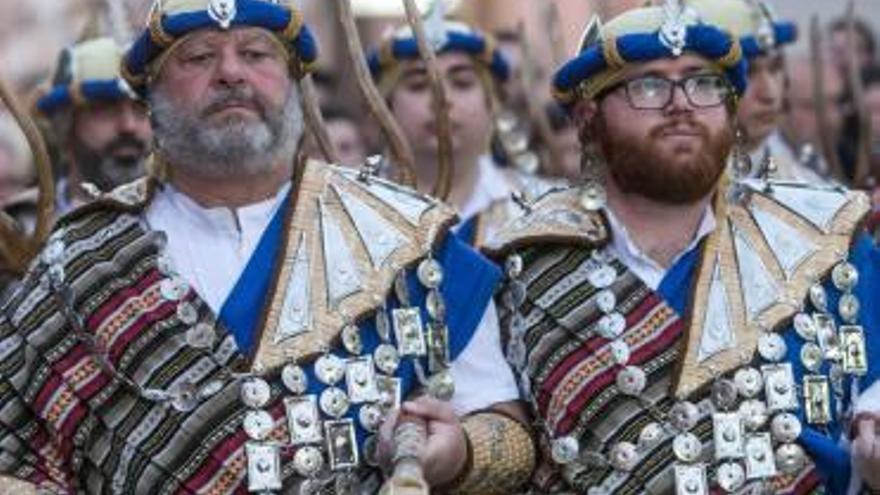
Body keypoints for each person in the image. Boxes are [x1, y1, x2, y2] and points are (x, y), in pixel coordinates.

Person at [0, 0, 534, 492]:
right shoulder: (81, 261)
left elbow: (508, 434)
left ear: (294, 83)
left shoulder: (405, 238)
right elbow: (14, 464)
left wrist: (458, 451)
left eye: (255, 53)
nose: (230, 73)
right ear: (151, 98)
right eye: (198, 57)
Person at [485, 1, 880, 493]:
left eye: (704, 82)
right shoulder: (517, 263)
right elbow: (492, 428)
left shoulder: (825, 240)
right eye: (648, 85)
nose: (682, 103)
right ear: (588, 119)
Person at [368, 20, 556, 248]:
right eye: (418, 84)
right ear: (384, 104)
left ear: (493, 102)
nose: (442, 98)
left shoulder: (543, 207)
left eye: (462, 82)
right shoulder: (351, 206)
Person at [36, 36, 152, 214]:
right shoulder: (24, 225)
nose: (128, 126)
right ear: (65, 128)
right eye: (105, 109)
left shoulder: (192, 214)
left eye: (141, 108)